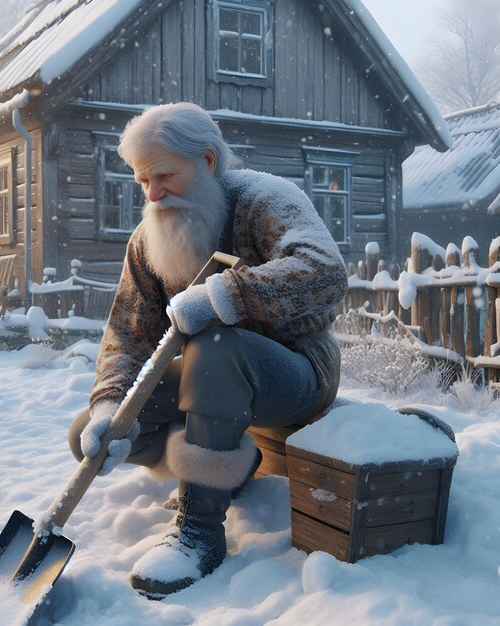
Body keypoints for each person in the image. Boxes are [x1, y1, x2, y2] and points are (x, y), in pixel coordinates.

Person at [68, 102, 348, 599]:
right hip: (212, 379)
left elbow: (325, 273)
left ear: (209, 161)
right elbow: (128, 335)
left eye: (164, 176)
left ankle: (199, 530)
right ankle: (226, 470)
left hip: (298, 375)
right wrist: (110, 403)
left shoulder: (266, 199)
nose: (152, 194)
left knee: (216, 345)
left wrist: (228, 296)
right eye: (141, 182)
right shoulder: (148, 239)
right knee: (97, 431)